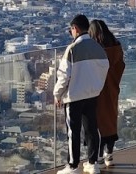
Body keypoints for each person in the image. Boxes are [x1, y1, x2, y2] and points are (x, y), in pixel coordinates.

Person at [54, 14, 110, 174]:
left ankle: (73, 166)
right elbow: (105, 67)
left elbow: (63, 75)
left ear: (75, 29)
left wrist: (57, 94)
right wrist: (97, 86)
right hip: (92, 94)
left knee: (74, 132)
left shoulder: (72, 49)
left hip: (74, 96)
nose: (71, 32)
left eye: (71, 29)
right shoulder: (98, 47)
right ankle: (93, 163)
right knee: (92, 129)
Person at [87, 19, 124, 168]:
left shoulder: (94, 51)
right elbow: (121, 66)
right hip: (113, 89)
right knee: (110, 121)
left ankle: (99, 157)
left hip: (97, 91)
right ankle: (110, 154)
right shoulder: (116, 48)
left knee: (98, 124)